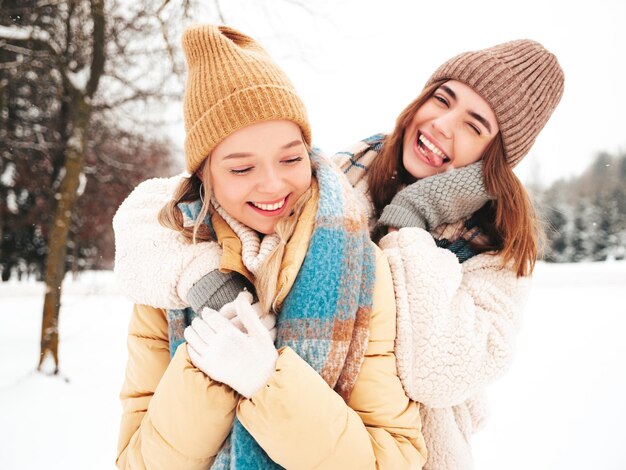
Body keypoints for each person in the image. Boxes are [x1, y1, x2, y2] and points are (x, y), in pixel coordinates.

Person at [114, 34, 564, 469]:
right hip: (297, 428)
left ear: (497, 155)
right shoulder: (346, 174)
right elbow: (159, 214)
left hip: (403, 453)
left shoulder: (499, 250)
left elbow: (437, 370)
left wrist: (409, 224)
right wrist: (208, 278)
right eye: (443, 100)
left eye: (474, 125)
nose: (443, 125)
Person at [114, 24, 427, 469]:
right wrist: (204, 375)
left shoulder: (361, 270)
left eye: (291, 158)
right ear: (204, 176)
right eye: (241, 168)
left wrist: (267, 382)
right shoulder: (169, 275)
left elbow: (395, 457)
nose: (274, 184)